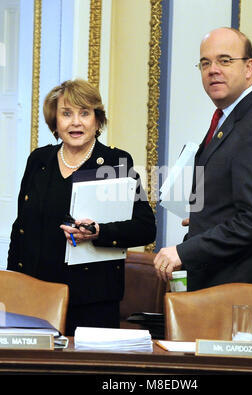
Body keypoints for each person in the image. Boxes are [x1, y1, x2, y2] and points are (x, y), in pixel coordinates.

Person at [7, 78, 156, 335]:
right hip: (34, 297)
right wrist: (11, 284)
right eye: (66, 114)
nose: (75, 122)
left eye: (84, 113)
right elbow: (20, 228)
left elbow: (145, 228)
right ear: (55, 122)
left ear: (97, 121)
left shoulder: (114, 162)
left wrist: (100, 232)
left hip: (92, 302)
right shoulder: (38, 160)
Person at [154, 27, 252, 294]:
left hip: (244, 293)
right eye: (205, 63)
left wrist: (185, 251)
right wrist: (203, 217)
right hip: (222, 286)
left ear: (249, 68)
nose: (212, 69)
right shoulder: (231, 117)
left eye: (224, 60)